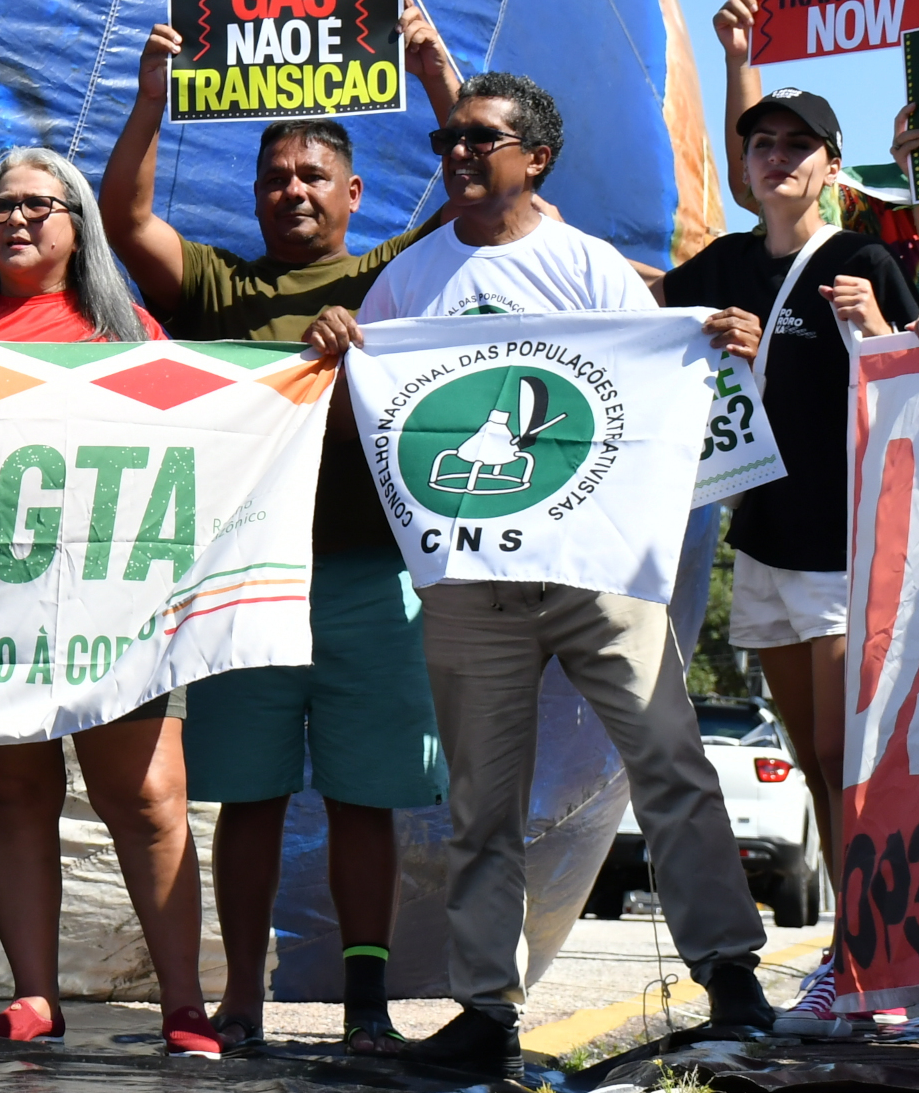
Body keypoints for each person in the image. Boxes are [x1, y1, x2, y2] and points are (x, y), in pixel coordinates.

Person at [302, 71, 776, 1078]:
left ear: (536, 157)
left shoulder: (587, 266)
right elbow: (364, 421)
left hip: (596, 568)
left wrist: (714, 341)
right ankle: (486, 1011)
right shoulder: (406, 284)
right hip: (471, 587)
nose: (458, 154)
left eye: (479, 138)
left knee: (670, 762)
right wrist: (341, 353)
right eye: (445, 140)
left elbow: (655, 372)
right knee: (481, 805)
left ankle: (731, 978)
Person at [97, 3, 461, 1055]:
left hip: (368, 580)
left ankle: (366, 1005)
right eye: (275, 177)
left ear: (354, 194)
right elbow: (127, 226)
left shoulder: (394, 276)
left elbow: (477, 184)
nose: (292, 190)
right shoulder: (221, 285)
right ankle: (242, 1001)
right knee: (248, 800)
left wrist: (432, 63)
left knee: (364, 800)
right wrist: (151, 104)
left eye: (313, 177)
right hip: (247, 583)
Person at [0, 148, 216, 1052]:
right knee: (9, 795)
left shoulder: (134, 339)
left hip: (113, 606)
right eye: (1, 207)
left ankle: (184, 1005)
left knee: (150, 799)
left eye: (39, 206)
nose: (15, 220)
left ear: (78, 222)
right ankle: (35, 998)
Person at [664, 0, 916, 1035]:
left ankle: (868, 965)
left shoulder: (866, 263)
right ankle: (855, 956)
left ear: (832, 168)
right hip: (761, 549)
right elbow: (630, 318)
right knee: (816, 768)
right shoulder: (723, 266)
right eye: (761, 144)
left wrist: (877, 328)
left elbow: (906, 390)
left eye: (796, 147)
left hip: (844, 558)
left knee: (844, 766)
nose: (775, 159)